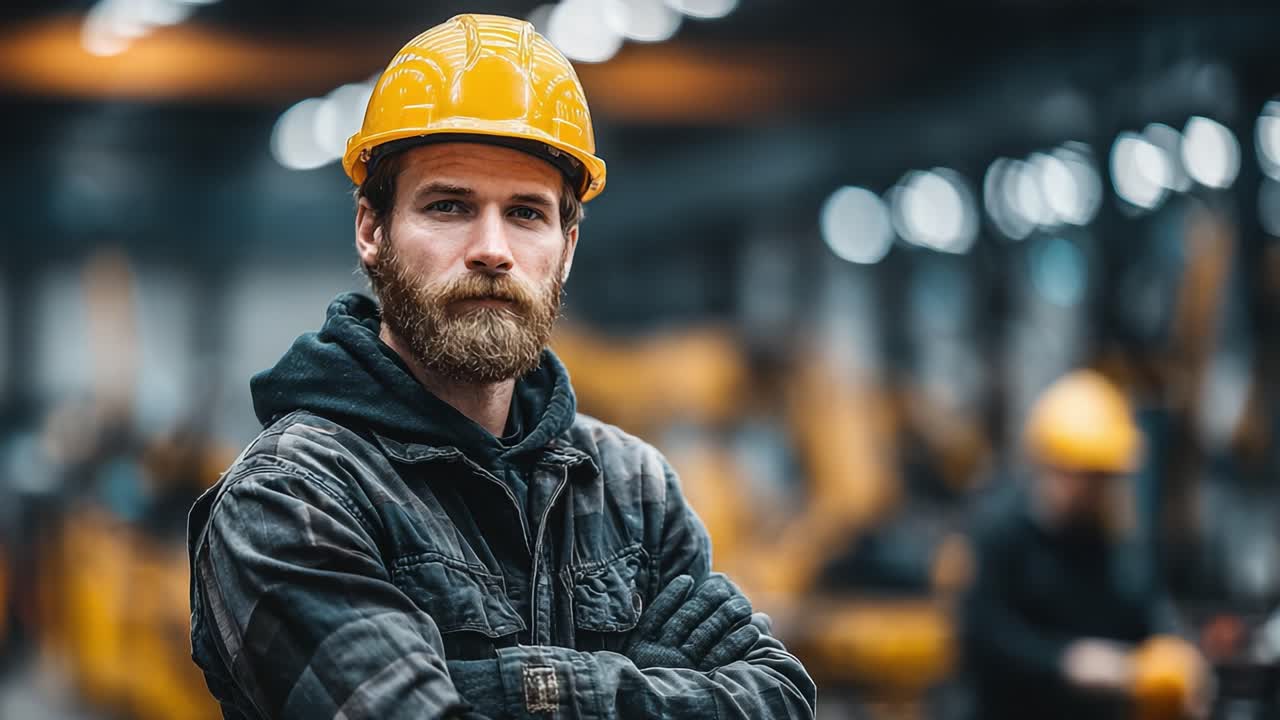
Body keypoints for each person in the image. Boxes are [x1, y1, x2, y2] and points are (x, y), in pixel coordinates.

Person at [185, 13, 815, 720]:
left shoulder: (634, 491)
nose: (492, 248)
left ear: (567, 245)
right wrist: (648, 680)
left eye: (526, 213)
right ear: (371, 231)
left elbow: (778, 698)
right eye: (449, 206)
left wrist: (509, 686)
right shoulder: (291, 499)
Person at [962, 369, 1208, 720]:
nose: (1097, 489)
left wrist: (1176, 653)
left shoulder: (1112, 539)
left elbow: (1146, 610)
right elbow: (982, 636)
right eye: (1087, 474)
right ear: (1051, 464)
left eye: (1105, 476)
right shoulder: (999, 531)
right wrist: (1065, 661)